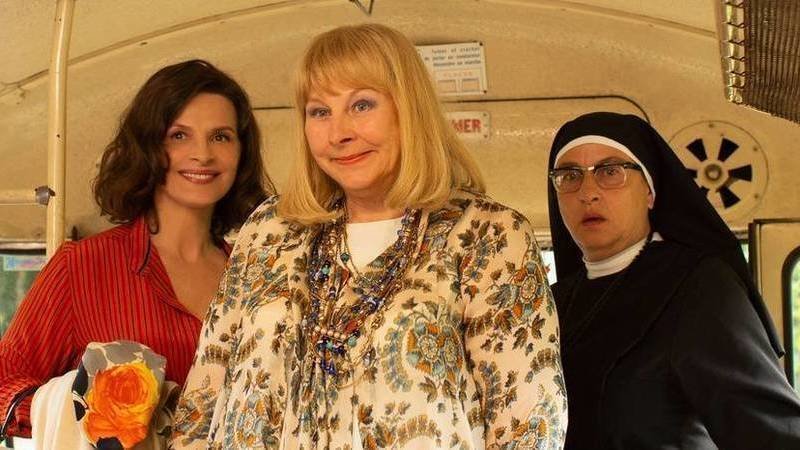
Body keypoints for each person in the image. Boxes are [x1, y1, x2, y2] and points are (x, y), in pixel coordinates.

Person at [172, 24, 566, 449]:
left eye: (361, 105)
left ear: (408, 109)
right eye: (319, 112)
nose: (338, 133)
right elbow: (204, 397)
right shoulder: (269, 229)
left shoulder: (488, 235)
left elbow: (529, 424)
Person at [0, 59, 273, 439]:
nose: (203, 154)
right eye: (179, 135)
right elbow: (4, 383)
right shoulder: (81, 267)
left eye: (221, 137)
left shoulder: (258, 279)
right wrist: (89, 413)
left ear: (242, 152)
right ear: (147, 146)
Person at [547, 111, 800, 449]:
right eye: (569, 176)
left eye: (610, 172)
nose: (587, 192)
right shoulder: (550, 304)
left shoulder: (697, 286)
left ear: (650, 192)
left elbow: (771, 433)